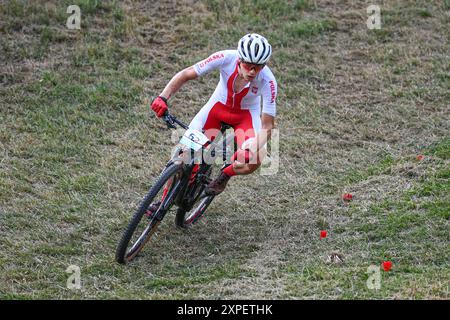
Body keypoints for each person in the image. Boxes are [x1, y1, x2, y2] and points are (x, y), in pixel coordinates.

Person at [151, 33, 278, 196]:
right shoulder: (225, 57)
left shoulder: (268, 81)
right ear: (239, 59)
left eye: (258, 67)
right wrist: (163, 97)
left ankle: (225, 174)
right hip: (217, 109)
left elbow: (268, 126)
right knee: (182, 154)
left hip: (245, 117)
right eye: (249, 65)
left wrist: (250, 148)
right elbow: (187, 73)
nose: (253, 71)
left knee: (256, 159)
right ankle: (161, 201)